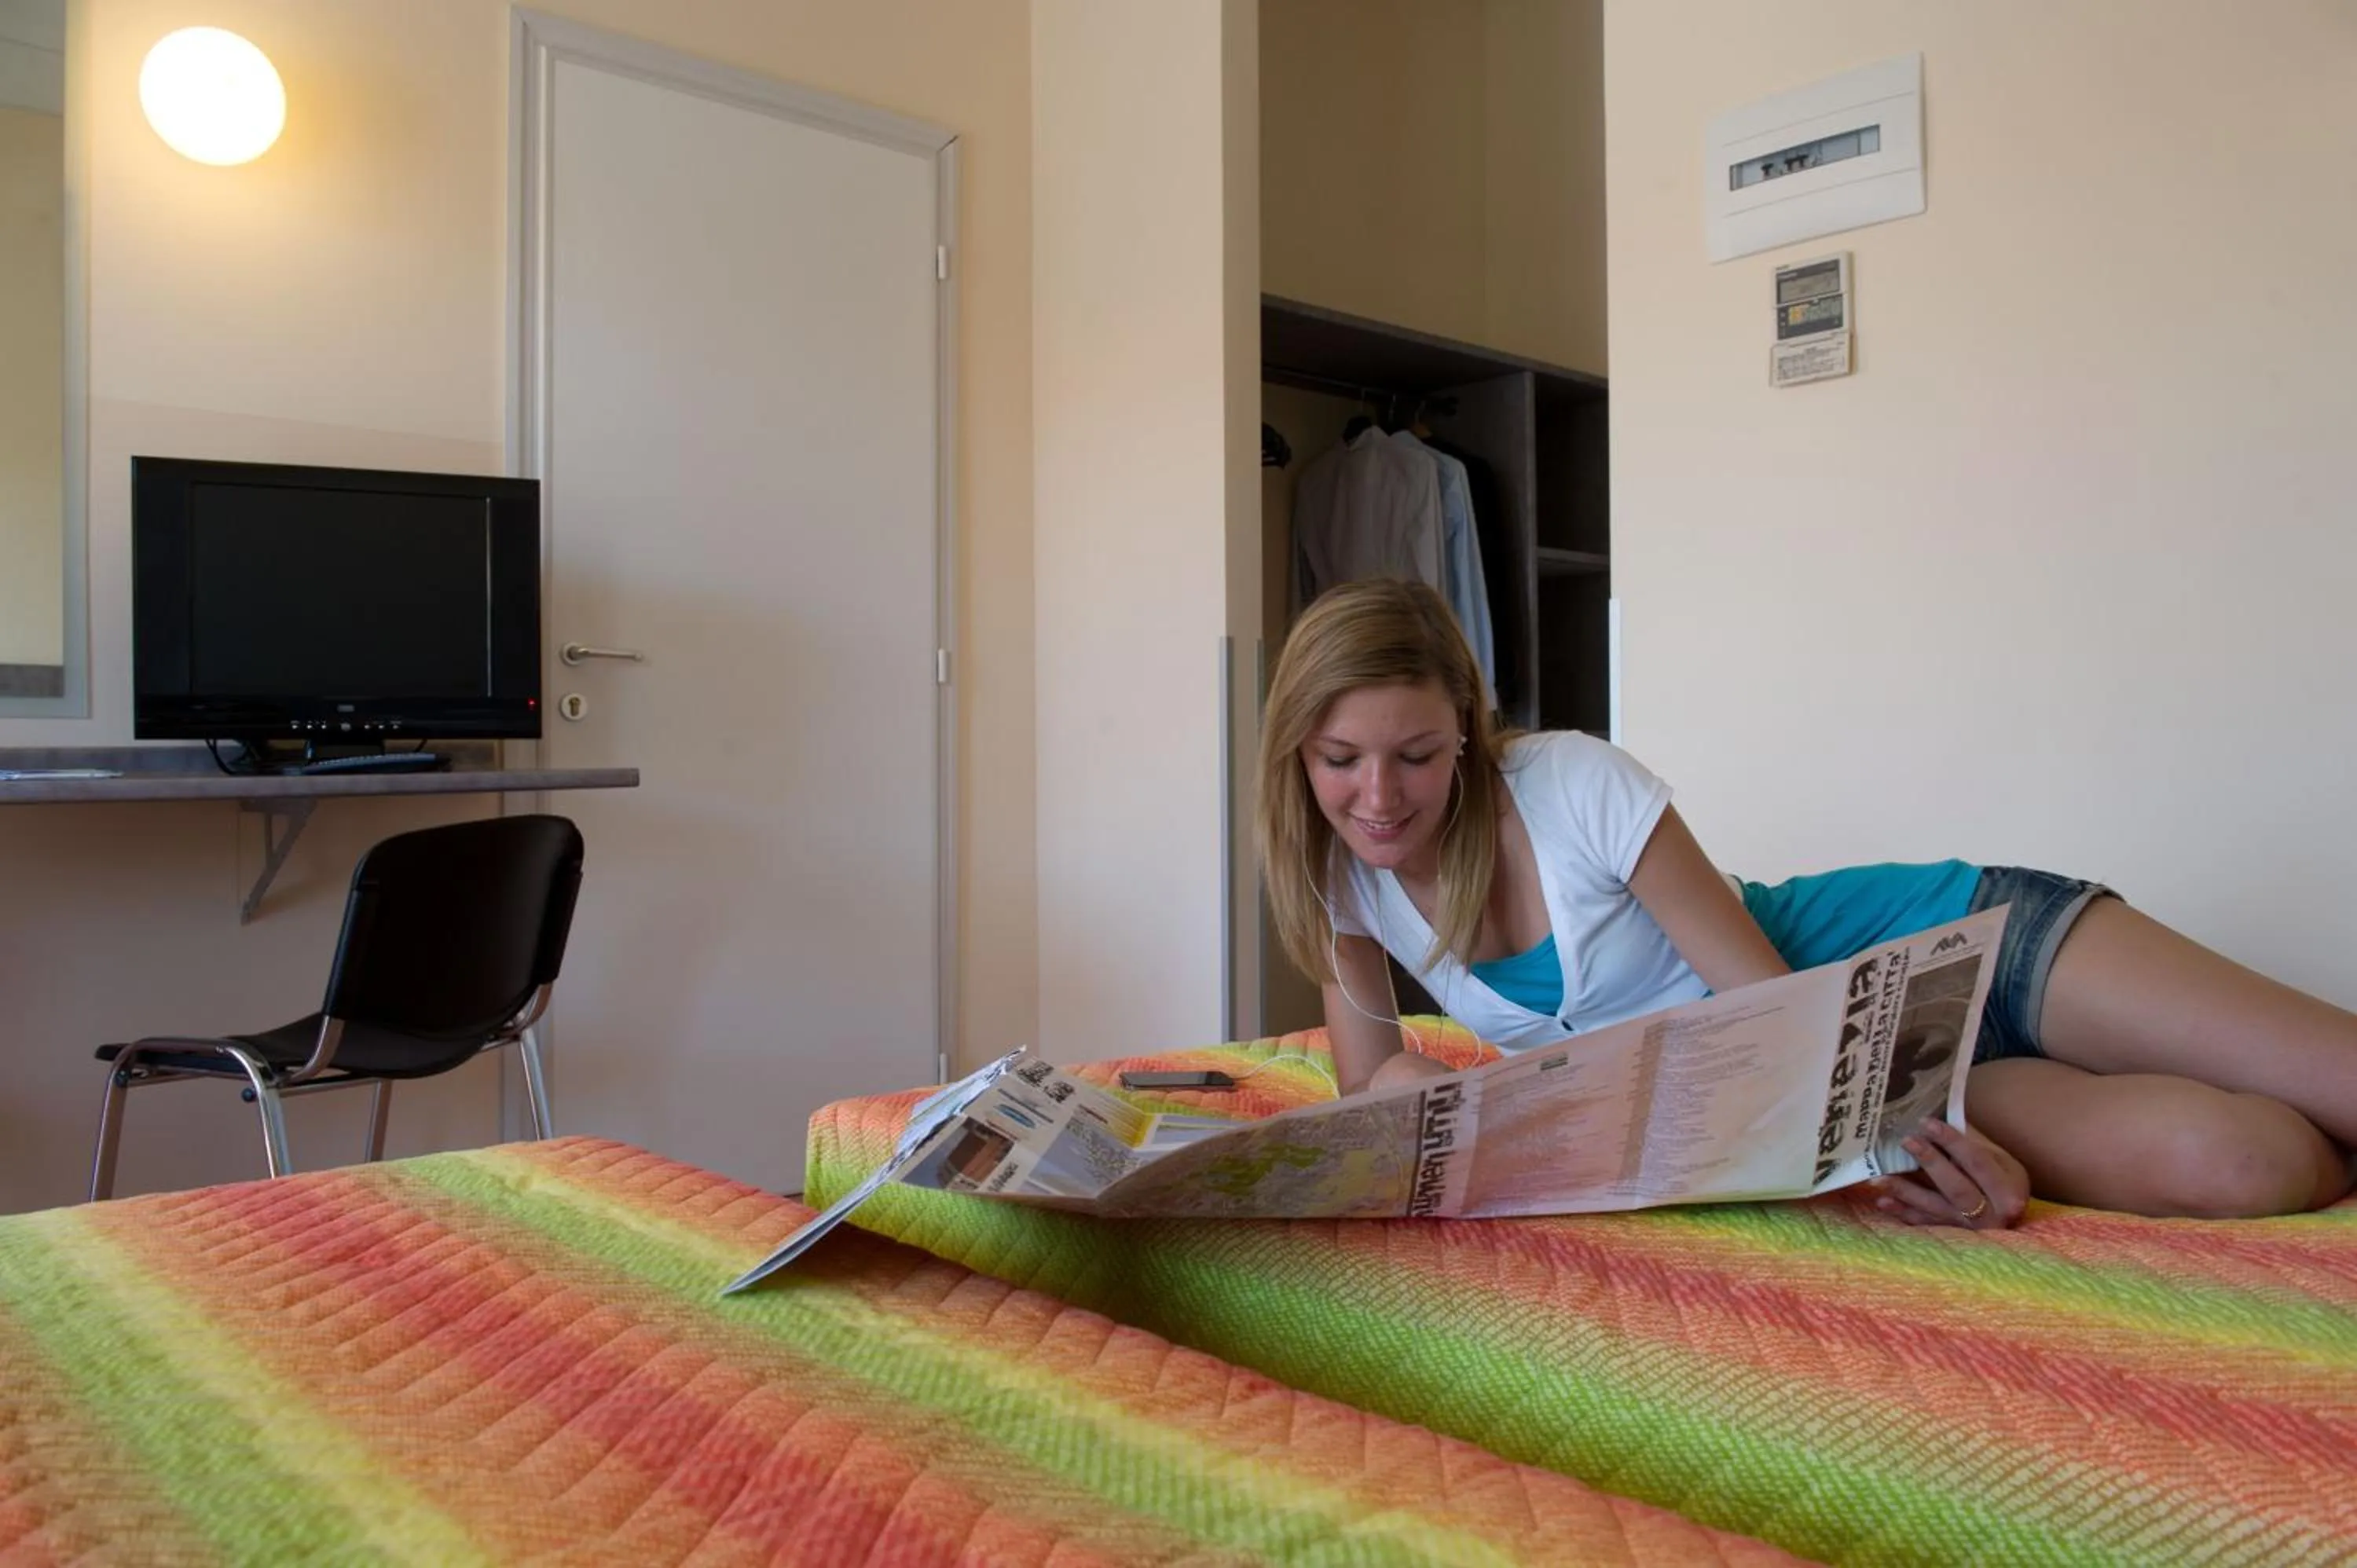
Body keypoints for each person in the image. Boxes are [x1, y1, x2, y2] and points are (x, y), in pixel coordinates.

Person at [1255, 579, 2356, 1229]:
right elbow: (1369, 1090)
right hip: (1901, 1072)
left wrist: (1874, 1153)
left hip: (1958, 940)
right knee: (2254, 1169)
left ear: (1465, 729)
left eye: (1415, 755)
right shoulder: (1339, 876)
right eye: (1341, 760)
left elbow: (1778, 1020)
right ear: (1298, 752)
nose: (1378, 798)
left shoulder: (1572, 786)